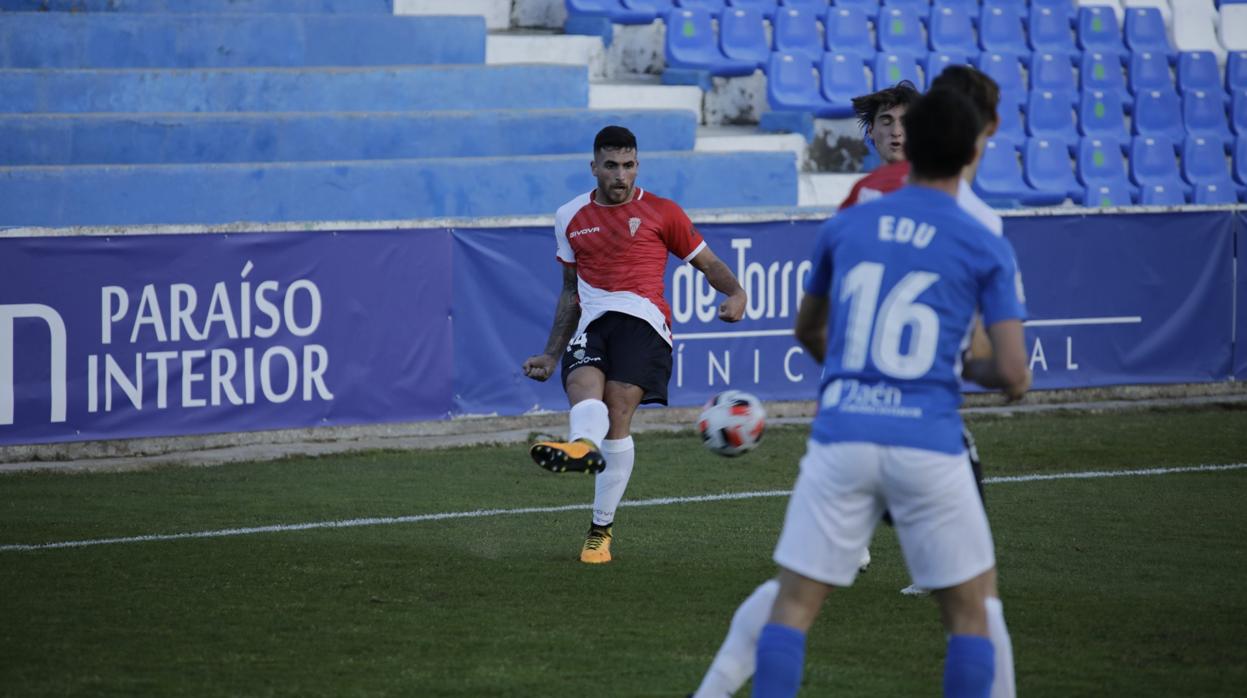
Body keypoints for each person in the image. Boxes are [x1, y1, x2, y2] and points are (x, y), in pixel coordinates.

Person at [693, 82, 1028, 698]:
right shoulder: (983, 234)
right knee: (973, 614)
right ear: (974, 149)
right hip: (928, 436)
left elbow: (808, 327)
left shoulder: (853, 216)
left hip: (844, 431)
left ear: (915, 140)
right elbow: (1011, 372)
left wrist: (855, 375)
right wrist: (949, 370)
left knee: (792, 605)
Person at [522, 125, 748, 565]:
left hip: (644, 322)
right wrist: (551, 353)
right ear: (594, 168)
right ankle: (581, 448)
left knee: (617, 413)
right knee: (584, 389)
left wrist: (735, 293)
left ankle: (599, 531)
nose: (620, 175)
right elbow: (570, 290)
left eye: (628, 165)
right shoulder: (569, 216)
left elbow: (708, 262)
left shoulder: (663, 213)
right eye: (611, 166)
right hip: (593, 319)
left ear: (637, 166)